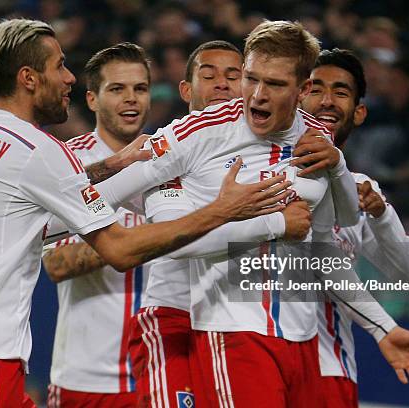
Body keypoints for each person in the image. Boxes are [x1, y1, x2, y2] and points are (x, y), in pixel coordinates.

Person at [0, 19, 291, 407]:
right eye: (58, 66)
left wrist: (112, 167)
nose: (68, 79)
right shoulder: (41, 150)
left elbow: (34, 220)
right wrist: (224, 210)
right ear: (28, 78)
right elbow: (119, 250)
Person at [96, 20, 409, 407]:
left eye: (273, 84)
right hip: (231, 331)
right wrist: (45, 224)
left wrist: (383, 329)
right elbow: (155, 229)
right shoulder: (197, 133)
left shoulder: (317, 142)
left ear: (301, 90)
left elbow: (323, 250)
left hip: (303, 341)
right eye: (250, 79)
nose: (255, 95)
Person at [300, 48, 409, 407]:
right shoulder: (260, 174)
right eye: (316, 89)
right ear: (297, 96)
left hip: (331, 370)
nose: (327, 101)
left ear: (359, 113)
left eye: (341, 92)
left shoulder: (362, 190)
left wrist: (381, 214)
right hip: (261, 355)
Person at [128, 40, 245, 408]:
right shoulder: (166, 150)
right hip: (174, 316)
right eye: (208, 75)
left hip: (240, 320)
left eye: (233, 76)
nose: (222, 84)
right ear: (186, 90)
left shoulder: (266, 151)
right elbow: (177, 237)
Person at [43, 42, 152, 408]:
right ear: (92, 99)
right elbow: (56, 264)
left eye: (140, 88)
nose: (131, 99)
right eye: (117, 89)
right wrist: (153, 236)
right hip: (86, 376)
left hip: (158, 370)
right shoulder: (69, 163)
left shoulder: (175, 159)